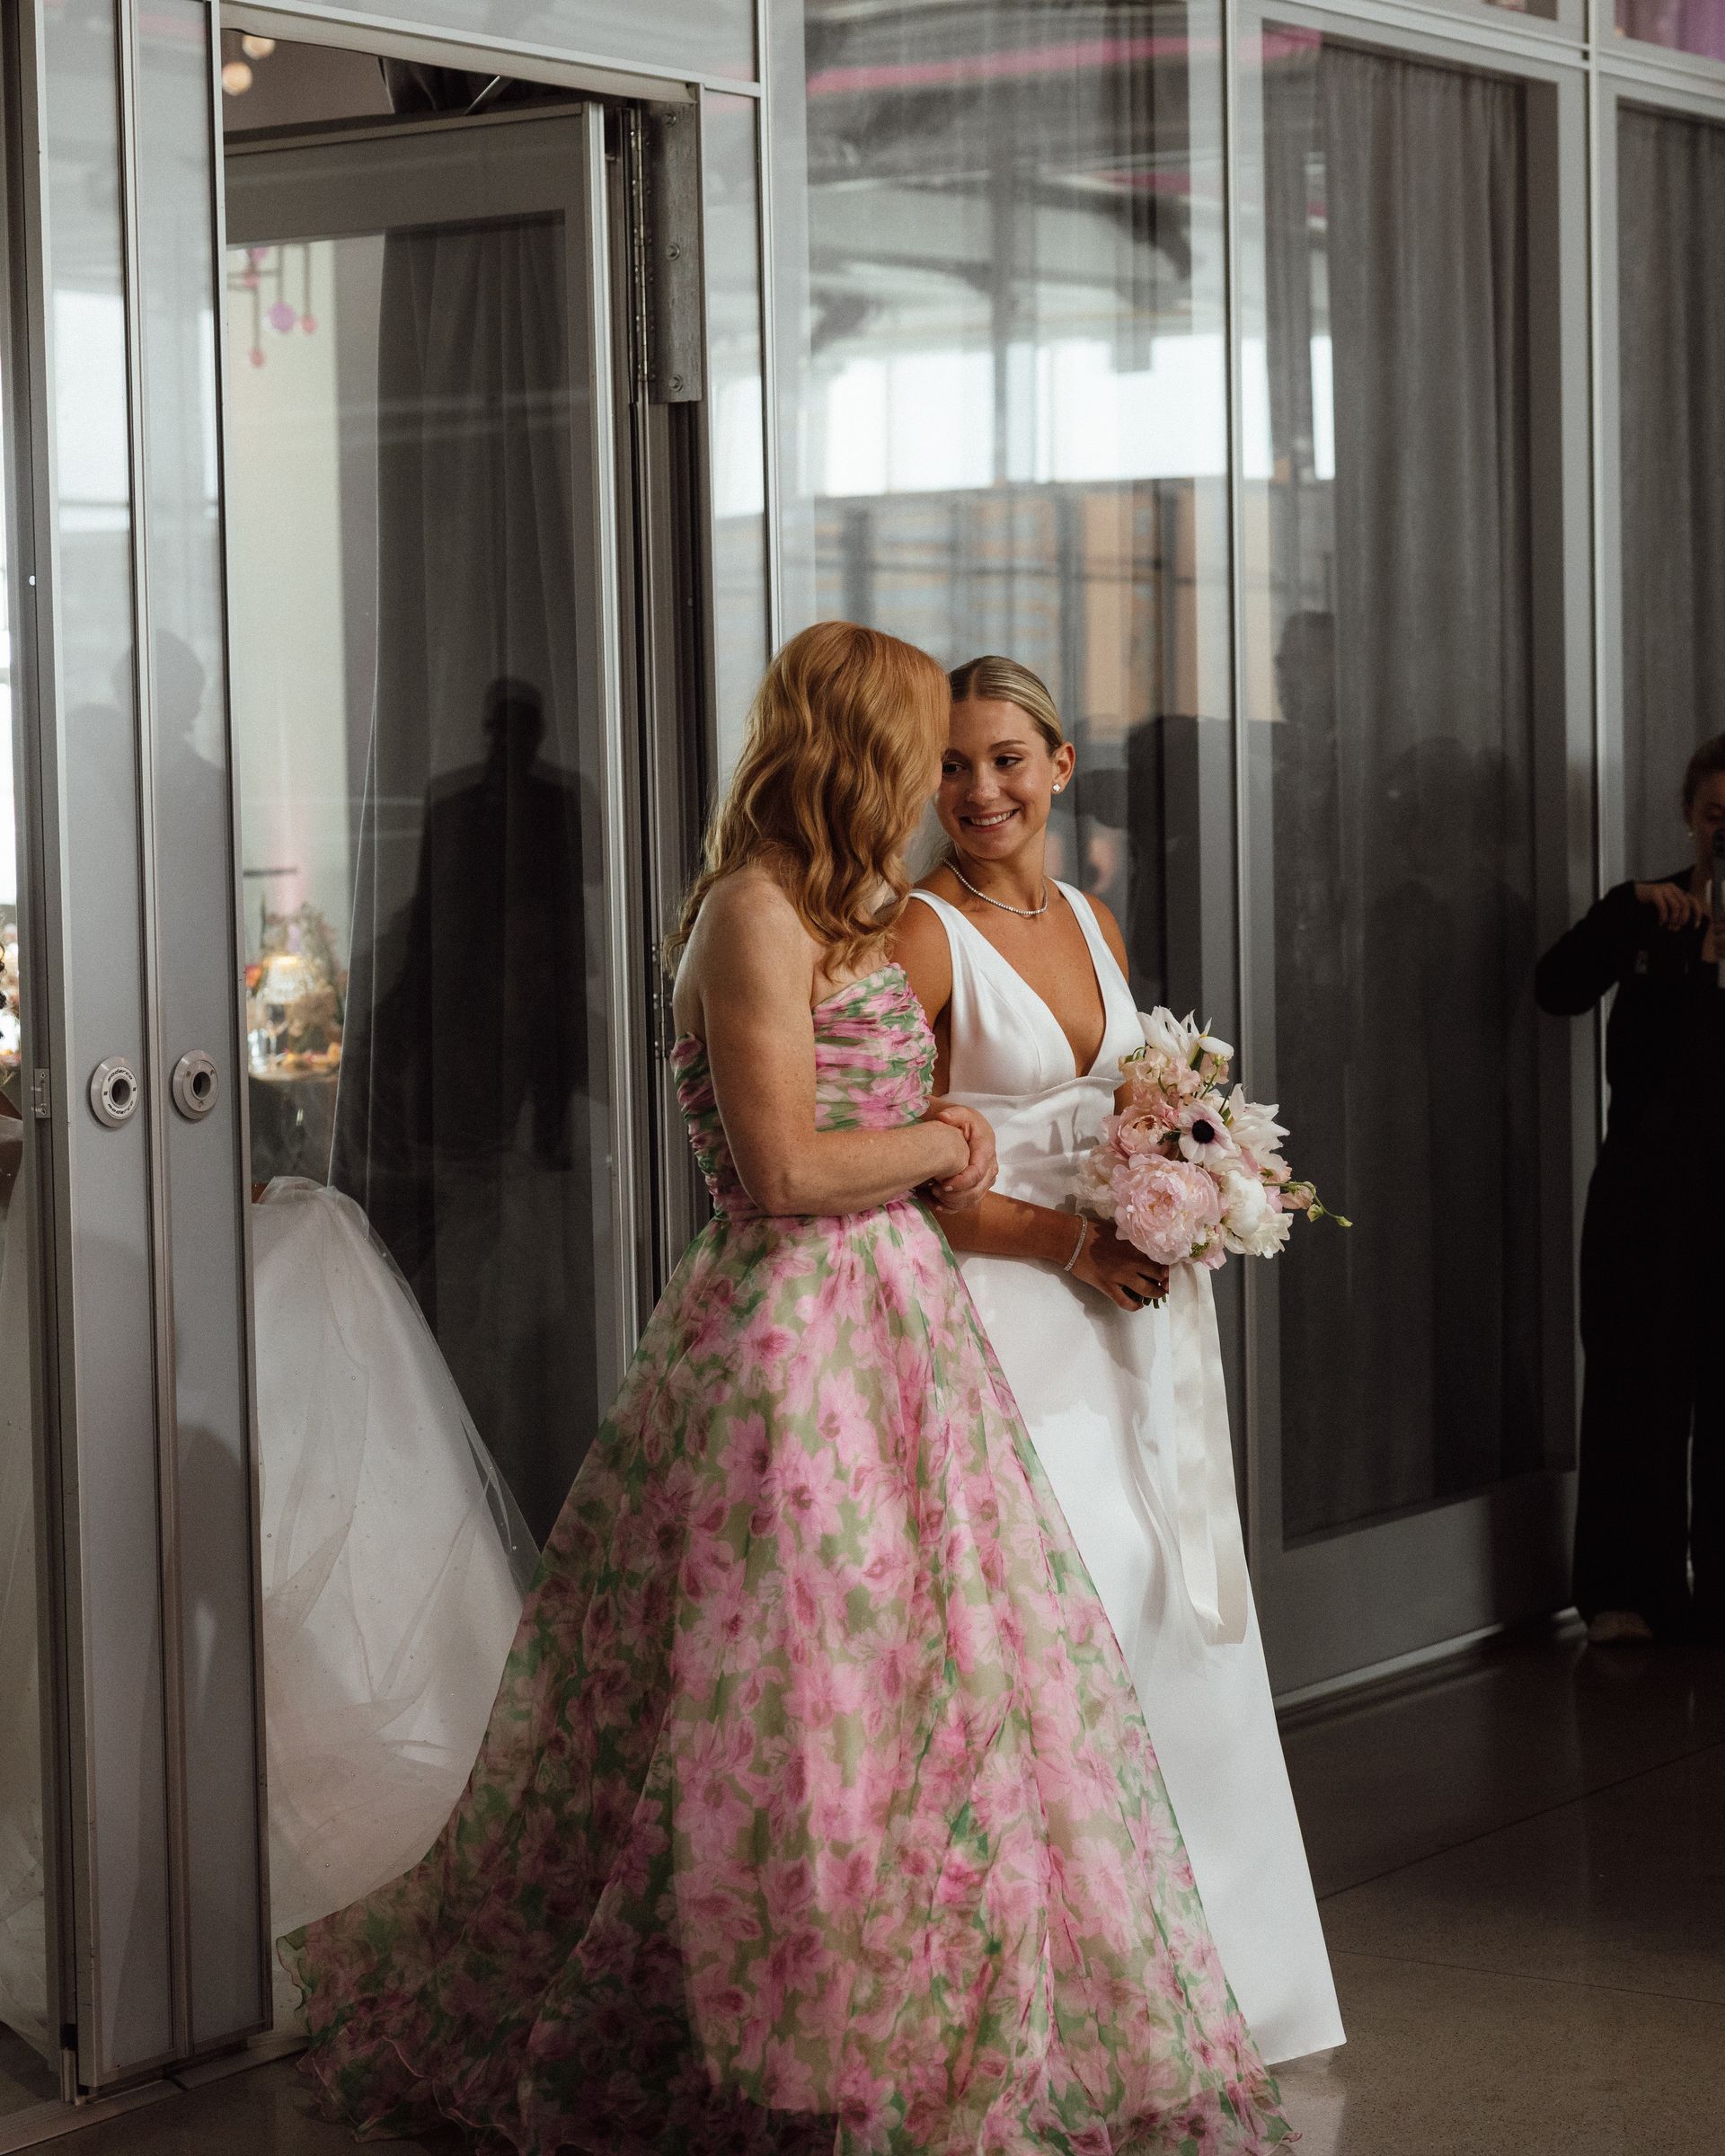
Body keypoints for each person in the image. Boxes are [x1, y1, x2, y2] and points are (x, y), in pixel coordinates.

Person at [283, 623, 1295, 2153]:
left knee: (927, 1692)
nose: (937, 783)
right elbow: (780, 1172)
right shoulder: (750, 915)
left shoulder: (850, 908)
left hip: (902, 1326)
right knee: (792, 1693)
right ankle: (779, 2039)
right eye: (917, 749)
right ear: (854, 746)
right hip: (791, 1338)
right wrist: (943, 1145)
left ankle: (890, 2015)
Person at [893, 654, 1343, 2066]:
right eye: (952, 765)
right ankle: (1056, 2014)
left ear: (1060, 766)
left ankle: (1219, 1984)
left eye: (1006, 759)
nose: (981, 790)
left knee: (1163, 1599)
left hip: (1128, 1323)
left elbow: (1129, 1110)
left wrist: (1197, 1185)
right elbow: (901, 1172)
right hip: (1006, 1319)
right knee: (1065, 1620)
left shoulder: (1093, 921)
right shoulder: (919, 935)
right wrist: (1071, 1242)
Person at [1535, 731, 1725, 1648]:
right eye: (1715, 815)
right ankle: (1629, 1594)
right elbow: (1557, 989)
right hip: (1646, 1193)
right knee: (1633, 1388)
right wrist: (1625, 912)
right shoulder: (1653, 914)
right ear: (1689, 816)